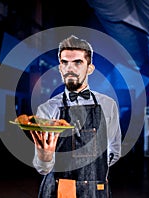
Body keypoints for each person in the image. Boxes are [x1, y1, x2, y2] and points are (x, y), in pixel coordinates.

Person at [30, 35, 122, 198]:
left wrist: (94, 176)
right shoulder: (46, 109)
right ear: (60, 68)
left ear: (90, 68)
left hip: (96, 190)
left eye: (78, 62)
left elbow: (114, 150)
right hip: (58, 191)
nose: (70, 68)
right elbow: (42, 168)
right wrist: (45, 158)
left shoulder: (108, 105)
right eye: (64, 62)